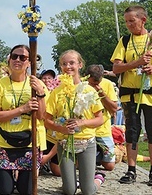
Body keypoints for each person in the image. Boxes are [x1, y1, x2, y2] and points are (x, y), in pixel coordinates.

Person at [111, 5, 152, 186]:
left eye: (132, 21)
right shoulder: (124, 41)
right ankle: (131, 170)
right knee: (132, 132)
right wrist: (136, 63)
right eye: (126, 22)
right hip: (130, 95)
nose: (129, 25)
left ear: (143, 20)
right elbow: (116, 68)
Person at [0, 44, 48, 195]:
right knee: (5, 191)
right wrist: (22, 109)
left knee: (26, 191)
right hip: (4, 141)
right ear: (9, 59)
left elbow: (41, 116)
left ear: (29, 62)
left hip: (29, 141)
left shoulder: (37, 84)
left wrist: (40, 94)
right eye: (14, 56)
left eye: (23, 57)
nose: (18, 60)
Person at [44, 50, 105, 195]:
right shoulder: (57, 92)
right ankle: (72, 182)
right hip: (65, 143)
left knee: (88, 191)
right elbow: (46, 120)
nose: (68, 67)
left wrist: (82, 122)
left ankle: (98, 178)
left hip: (86, 142)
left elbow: (100, 119)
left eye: (72, 63)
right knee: (69, 191)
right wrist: (62, 129)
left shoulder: (89, 90)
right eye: (64, 64)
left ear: (80, 65)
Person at [85, 64, 118, 172]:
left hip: (103, 130)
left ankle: (98, 157)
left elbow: (114, 109)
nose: (95, 85)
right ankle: (92, 157)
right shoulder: (81, 84)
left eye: (98, 83)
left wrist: (102, 94)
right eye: (92, 83)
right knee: (82, 164)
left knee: (110, 166)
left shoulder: (107, 84)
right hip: (86, 130)